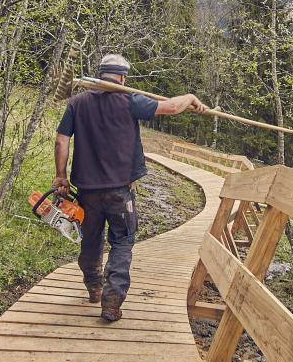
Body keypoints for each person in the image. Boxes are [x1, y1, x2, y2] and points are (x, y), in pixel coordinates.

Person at [54, 54, 208, 322]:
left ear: (101, 74)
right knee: (122, 242)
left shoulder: (77, 103)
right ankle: (111, 301)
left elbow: (61, 140)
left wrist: (60, 176)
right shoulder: (129, 100)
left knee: (90, 240)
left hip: (86, 191)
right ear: (123, 76)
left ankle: (94, 287)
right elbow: (171, 107)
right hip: (119, 191)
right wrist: (191, 97)